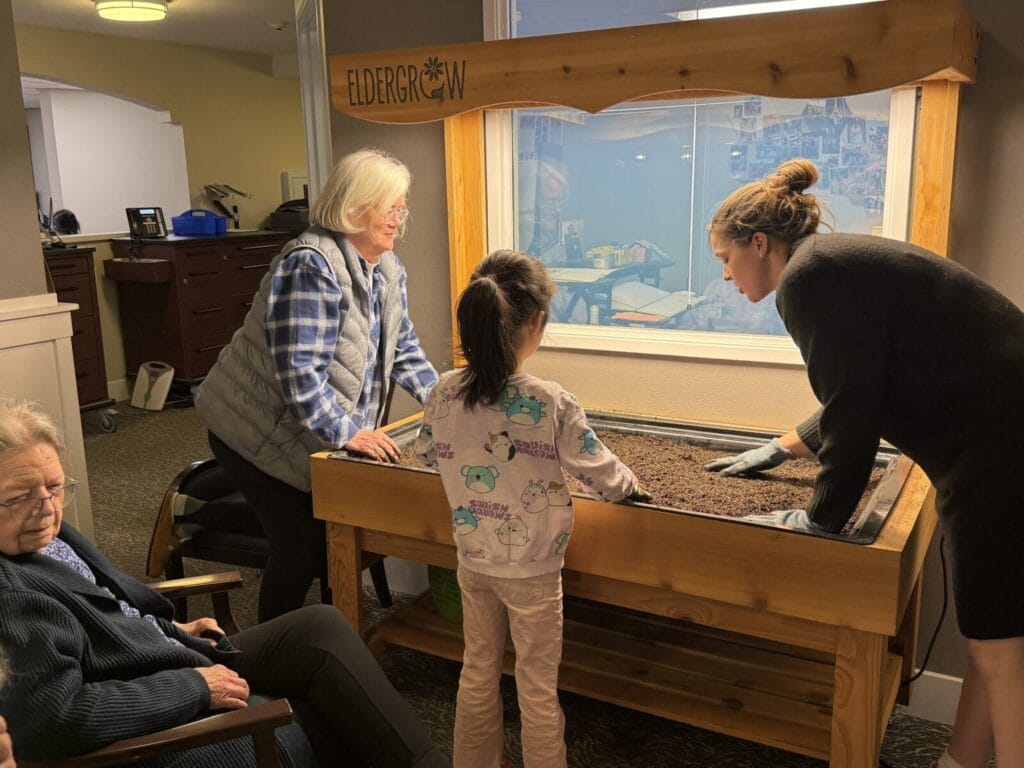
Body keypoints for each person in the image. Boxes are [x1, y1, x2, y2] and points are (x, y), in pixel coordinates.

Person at [704, 158, 1024, 768]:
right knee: (997, 632)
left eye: (725, 257)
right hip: (997, 436)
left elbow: (853, 415)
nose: (724, 274)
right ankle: (961, 760)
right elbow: (861, 387)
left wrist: (820, 520)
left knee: (999, 647)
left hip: (997, 448)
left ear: (759, 244)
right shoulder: (829, 263)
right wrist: (782, 446)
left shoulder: (807, 279)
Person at [0, 398, 450, 767]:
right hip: (153, 705)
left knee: (319, 628)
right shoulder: (11, 595)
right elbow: (58, 719)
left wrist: (171, 629)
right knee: (337, 714)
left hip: (160, 654)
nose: (46, 508)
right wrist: (196, 687)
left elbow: (102, 606)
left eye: (55, 488)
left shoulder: (39, 533)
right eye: (19, 497)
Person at [414, 250, 649, 768]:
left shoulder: (443, 391)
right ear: (536, 323)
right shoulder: (550, 401)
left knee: (477, 670)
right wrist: (631, 488)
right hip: (534, 573)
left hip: (473, 561)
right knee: (537, 687)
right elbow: (600, 470)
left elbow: (427, 453)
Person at [195, 148, 438, 622]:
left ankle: (332, 632)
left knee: (328, 536)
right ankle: (270, 650)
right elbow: (300, 375)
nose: (399, 219)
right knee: (299, 546)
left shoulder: (387, 269)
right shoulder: (311, 265)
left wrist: (444, 400)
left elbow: (403, 349)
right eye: (389, 208)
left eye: (401, 207)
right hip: (251, 430)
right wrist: (348, 433)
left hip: (302, 429)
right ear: (355, 208)